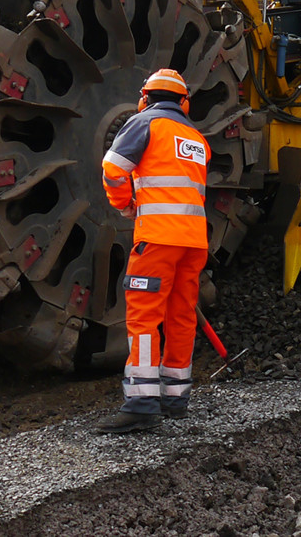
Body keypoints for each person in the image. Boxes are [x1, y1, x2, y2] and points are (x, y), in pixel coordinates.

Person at [95, 68, 211, 434]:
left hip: (157, 240)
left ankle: (142, 404)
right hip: (193, 244)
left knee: (144, 317)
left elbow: (113, 168)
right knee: (181, 317)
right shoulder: (196, 139)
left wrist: (126, 204)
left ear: (144, 98)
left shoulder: (142, 123)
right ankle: (175, 399)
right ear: (184, 103)